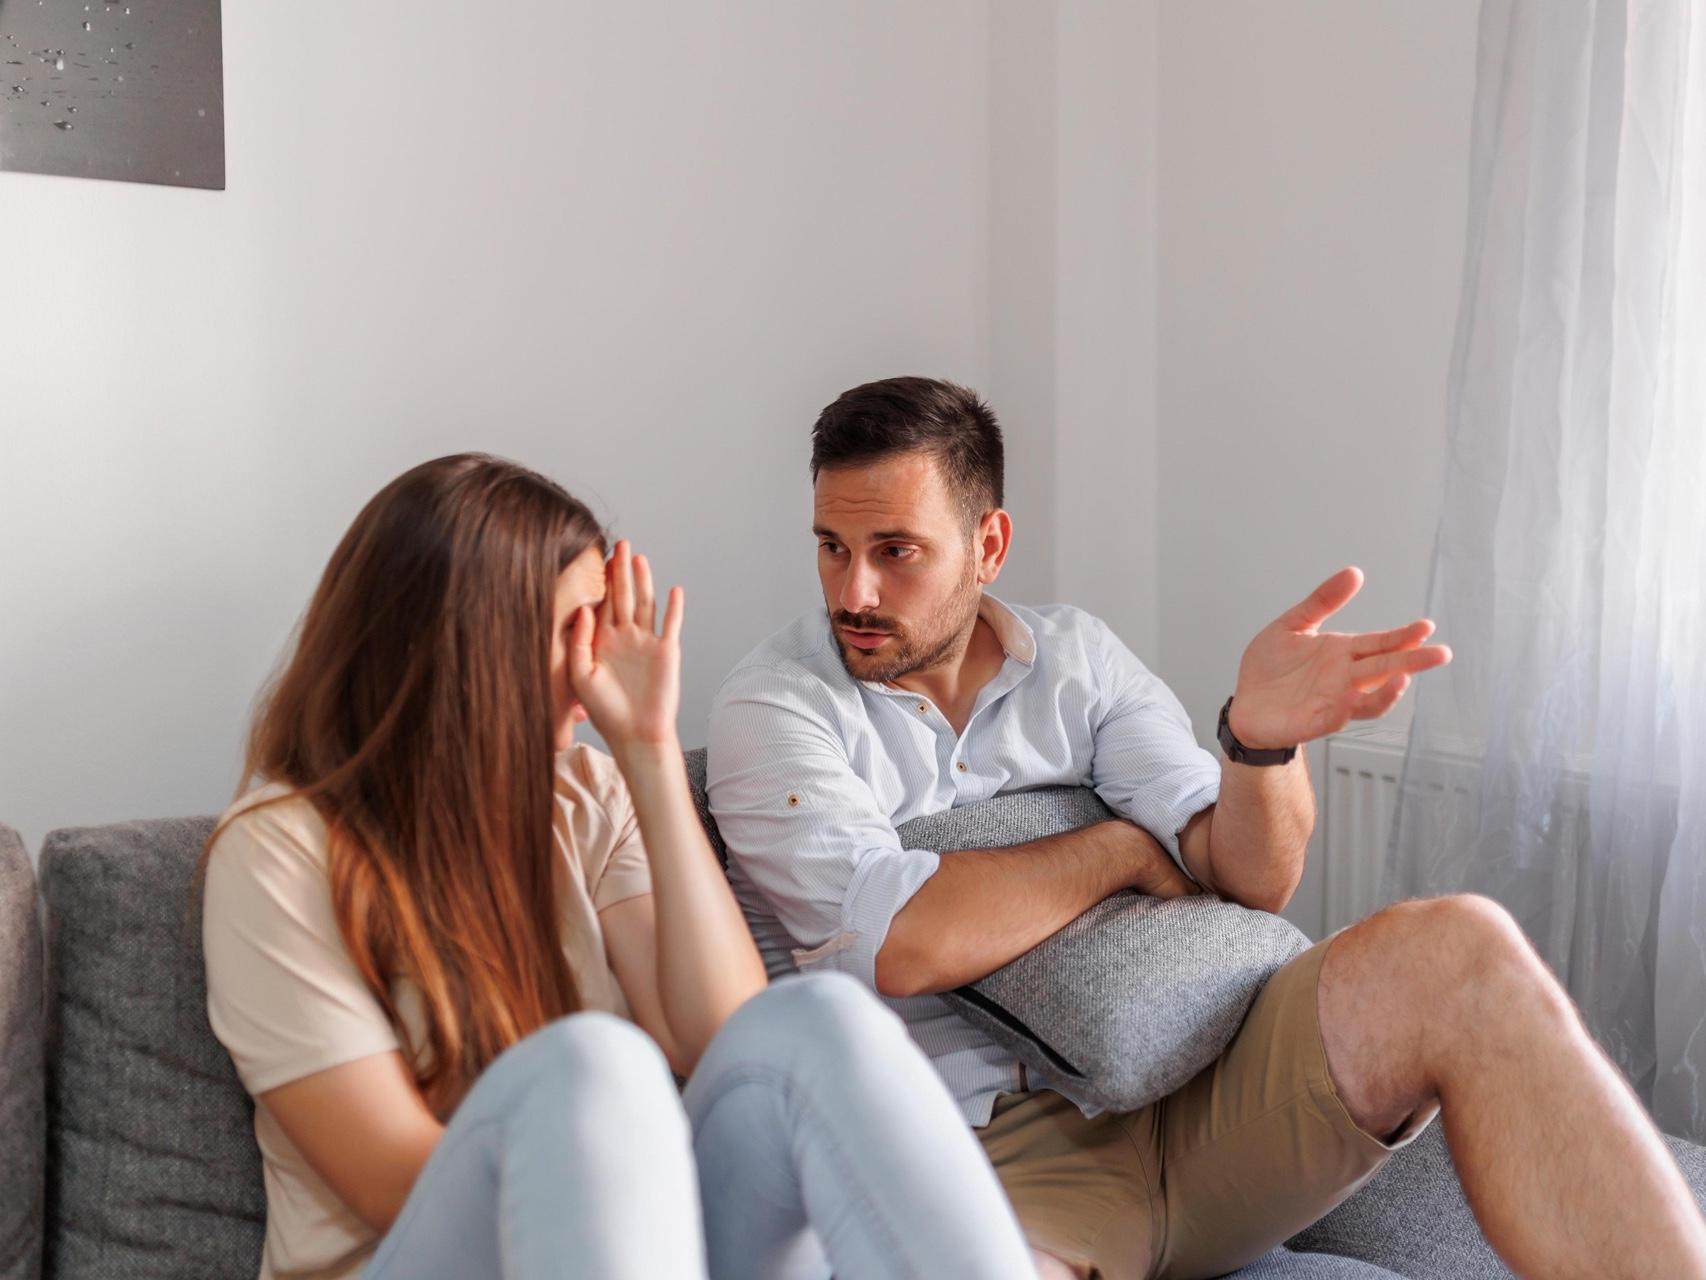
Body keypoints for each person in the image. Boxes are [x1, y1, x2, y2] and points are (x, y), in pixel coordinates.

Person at [706, 377, 1706, 1280]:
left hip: (1201, 1095)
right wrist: (1117, 849)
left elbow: (1247, 874)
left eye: (895, 552)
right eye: (831, 547)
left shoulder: (1077, 661)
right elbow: (902, 941)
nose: (854, 592)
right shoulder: (777, 708)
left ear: (989, 545)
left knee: (1460, 945)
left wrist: (1258, 746)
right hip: (986, 1154)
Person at [199, 453, 1037, 1280]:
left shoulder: (583, 796)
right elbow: (387, 1183)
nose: (593, 659)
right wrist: (608, 1175)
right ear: (467, 643)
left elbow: (722, 1036)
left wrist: (648, 750)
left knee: (816, 1018)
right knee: (593, 1065)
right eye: (572, 627)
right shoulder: (279, 851)